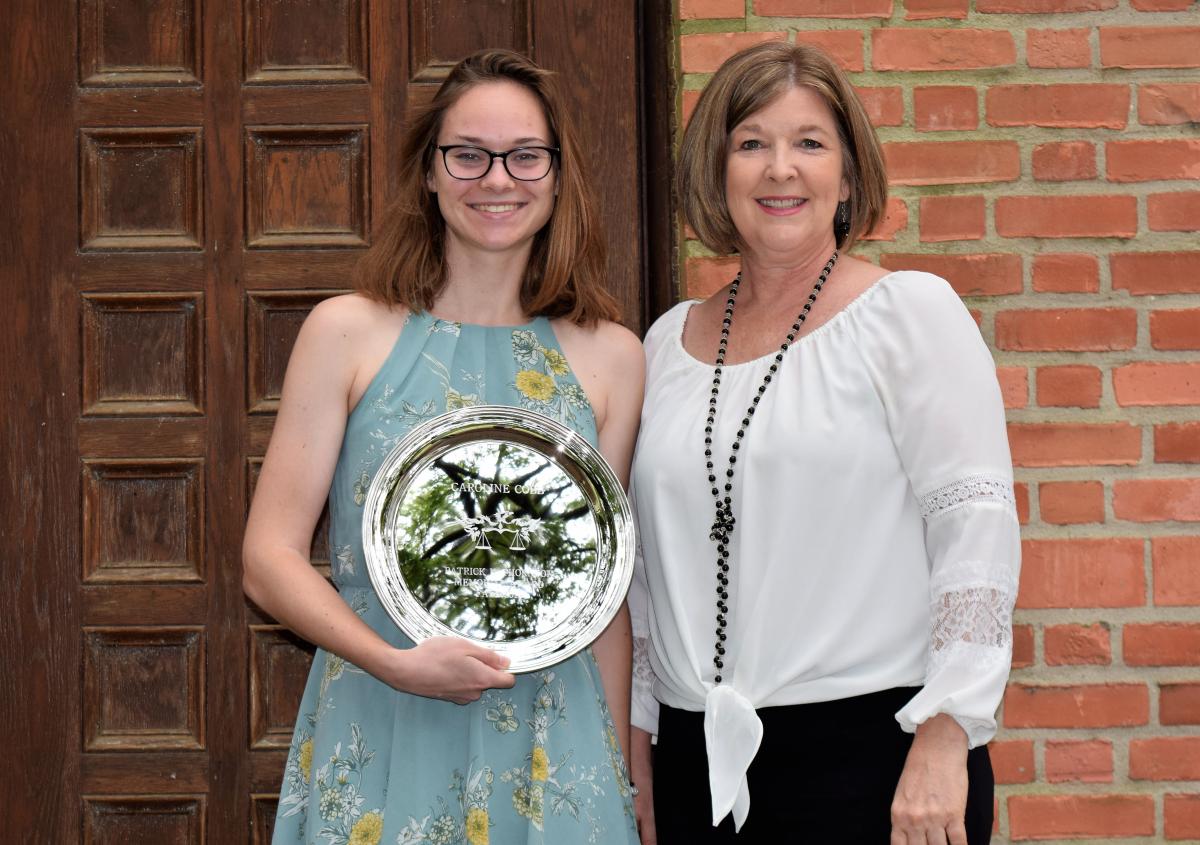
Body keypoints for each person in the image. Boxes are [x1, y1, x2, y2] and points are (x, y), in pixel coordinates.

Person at [243, 49, 644, 845]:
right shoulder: (345, 332)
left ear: (559, 177)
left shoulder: (612, 356)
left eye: (526, 156)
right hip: (382, 711)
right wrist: (393, 662)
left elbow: (606, 593)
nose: (498, 179)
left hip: (553, 739)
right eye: (468, 154)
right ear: (429, 173)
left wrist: (625, 773)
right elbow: (267, 557)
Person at [627, 42, 1020, 845]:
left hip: (878, 764)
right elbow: (645, 581)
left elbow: (974, 532)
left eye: (809, 142)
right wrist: (638, 748)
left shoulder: (908, 315)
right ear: (717, 169)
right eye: (751, 143)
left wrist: (947, 734)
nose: (780, 169)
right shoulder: (664, 345)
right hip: (694, 765)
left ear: (847, 174)